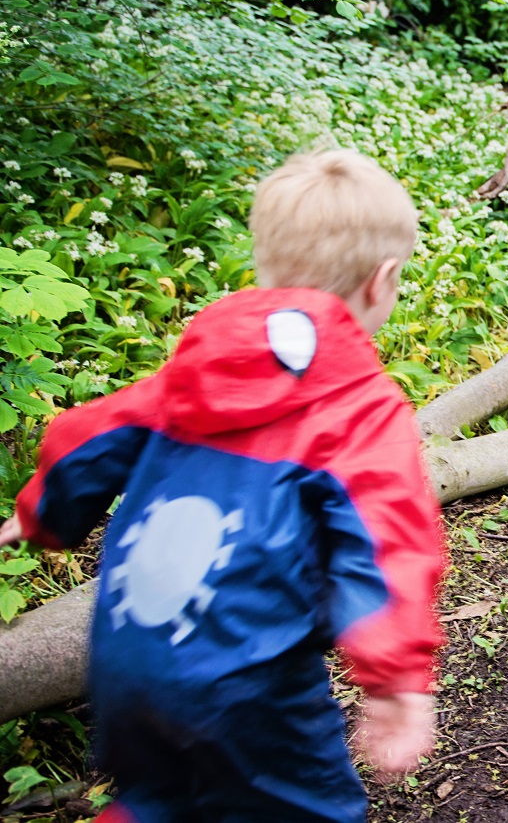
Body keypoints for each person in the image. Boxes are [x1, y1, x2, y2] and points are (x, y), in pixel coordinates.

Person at [0, 150, 446, 823]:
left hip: (127, 661)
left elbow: (84, 434)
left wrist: (43, 513)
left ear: (263, 262)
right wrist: (394, 679)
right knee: (307, 806)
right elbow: (386, 543)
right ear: (384, 281)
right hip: (251, 677)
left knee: (161, 796)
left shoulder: (194, 369)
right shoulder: (360, 406)